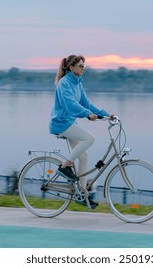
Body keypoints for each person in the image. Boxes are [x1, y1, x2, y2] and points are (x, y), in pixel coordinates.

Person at [49, 55, 112, 208]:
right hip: (60, 123)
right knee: (89, 138)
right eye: (80, 66)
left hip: (70, 123)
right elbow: (71, 105)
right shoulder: (64, 83)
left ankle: (81, 194)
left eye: (84, 66)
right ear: (71, 67)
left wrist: (105, 114)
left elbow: (86, 103)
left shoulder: (78, 83)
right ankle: (65, 167)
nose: (83, 68)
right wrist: (87, 114)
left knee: (84, 156)